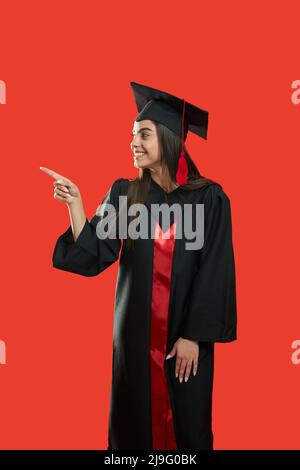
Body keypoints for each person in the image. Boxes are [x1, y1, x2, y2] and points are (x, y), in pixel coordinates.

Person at [40, 81, 237, 450]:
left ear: (168, 138)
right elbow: (93, 251)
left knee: (187, 429)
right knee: (133, 432)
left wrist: (195, 335)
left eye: (143, 134)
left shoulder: (210, 199)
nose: (133, 142)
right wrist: (76, 205)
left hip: (185, 344)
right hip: (134, 343)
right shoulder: (126, 195)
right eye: (132, 134)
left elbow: (217, 270)